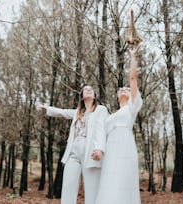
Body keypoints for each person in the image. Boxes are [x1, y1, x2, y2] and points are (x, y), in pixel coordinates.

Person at [36, 85, 109, 204]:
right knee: (68, 184)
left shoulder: (101, 110)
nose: (89, 90)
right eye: (86, 89)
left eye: (91, 89)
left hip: (90, 151)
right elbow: (62, 112)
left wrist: (99, 149)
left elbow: (101, 129)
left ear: (95, 95)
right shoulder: (78, 112)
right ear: (82, 96)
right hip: (73, 151)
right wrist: (46, 108)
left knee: (92, 189)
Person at [95, 44, 143, 204]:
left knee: (123, 179)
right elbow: (101, 132)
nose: (123, 90)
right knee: (110, 180)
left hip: (125, 144)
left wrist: (133, 57)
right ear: (116, 96)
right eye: (120, 90)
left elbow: (133, 79)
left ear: (131, 95)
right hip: (110, 148)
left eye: (127, 90)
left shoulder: (132, 108)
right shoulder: (111, 115)